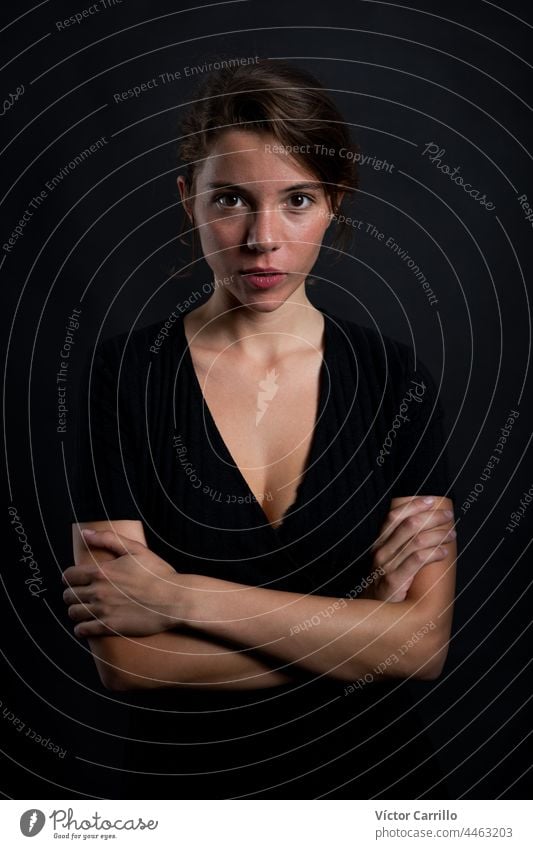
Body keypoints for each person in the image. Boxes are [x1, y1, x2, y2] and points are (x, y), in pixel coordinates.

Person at [64, 58, 457, 799]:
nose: (262, 237)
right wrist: (358, 629)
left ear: (335, 202)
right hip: (190, 796)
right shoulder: (123, 377)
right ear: (189, 200)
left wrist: (181, 599)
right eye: (231, 200)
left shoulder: (393, 380)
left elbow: (423, 644)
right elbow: (128, 660)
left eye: (297, 199)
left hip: (378, 789)